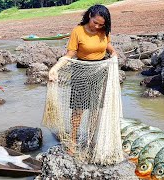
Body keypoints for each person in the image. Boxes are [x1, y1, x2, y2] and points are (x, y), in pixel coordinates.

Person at [49, 4, 118, 154]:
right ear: (89, 16)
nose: (97, 26)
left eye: (101, 24)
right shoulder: (78, 31)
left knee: (95, 109)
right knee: (78, 110)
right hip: (81, 72)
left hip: (99, 71)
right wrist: (55, 68)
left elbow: (107, 44)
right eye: (95, 22)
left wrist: (113, 52)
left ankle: (91, 139)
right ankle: (73, 141)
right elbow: (70, 54)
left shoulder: (103, 31)